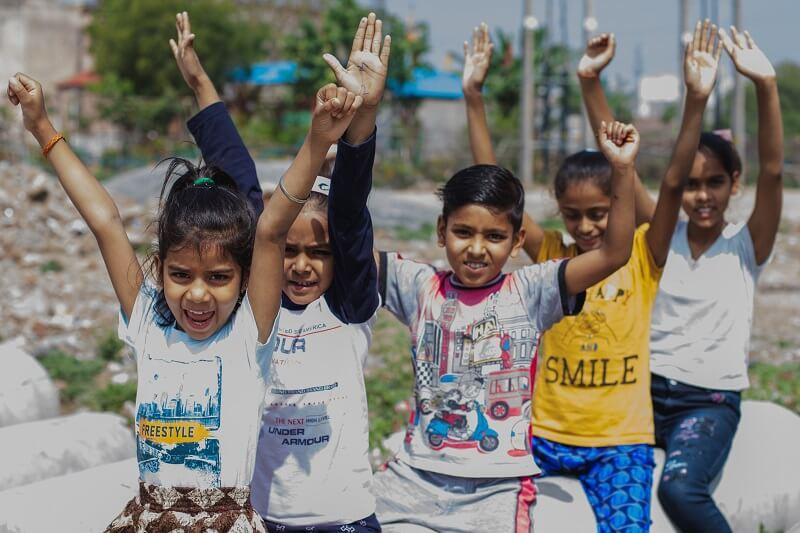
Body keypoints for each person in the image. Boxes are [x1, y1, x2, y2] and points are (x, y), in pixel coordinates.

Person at [7, 60, 361, 530]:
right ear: (160, 270)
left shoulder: (247, 335)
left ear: (244, 277)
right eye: (180, 275)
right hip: (148, 517)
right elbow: (104, 221)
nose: (197, 295)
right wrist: (42, 126)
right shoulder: (149, 324)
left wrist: (318, 142)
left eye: (218, 277)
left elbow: (273, 227)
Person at [461, 21, 722, 532]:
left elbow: (671, 184)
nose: (584, 226)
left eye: (599, 213)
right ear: (559, 211)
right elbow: (496, 189)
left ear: (618, 206)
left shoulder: (645, 254)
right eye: (573, 214)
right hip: (542, 435)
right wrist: (473, 96)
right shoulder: (550, 254)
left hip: (619, 443)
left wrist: (696, 100)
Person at [371, 37, 638, 528]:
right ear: (441, 231)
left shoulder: (533, 289)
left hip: (498, 484)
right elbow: (346, 244)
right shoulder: (418, 284)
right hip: (415, 477)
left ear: (517, 241)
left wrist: (621, 170)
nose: (477, 248)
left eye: (494, 237)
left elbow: (616, 253)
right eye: (463, 233)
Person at [170, 11, 388, 532]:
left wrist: (365, 116)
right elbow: (241, 179)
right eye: (287, 251)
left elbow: (352, 214)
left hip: (347, 522)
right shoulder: (255, 308)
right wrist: (200, 82)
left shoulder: (348, 306)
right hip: (264, 520)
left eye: (319, 253)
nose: (301, 265)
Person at [647, 26, 783, 533]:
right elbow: (662, 179)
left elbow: (773, 170)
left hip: (708, 400)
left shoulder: (747, 247)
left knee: (679, 488)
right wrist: (695, 98)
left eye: (716, 183)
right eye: (694, 185)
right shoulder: (661, 239)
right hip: (645, 389)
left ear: (733, 185)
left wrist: (765, 86)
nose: (702, 196)